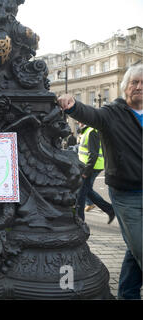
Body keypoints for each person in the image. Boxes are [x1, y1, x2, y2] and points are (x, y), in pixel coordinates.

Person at [58, 64, 142, 299]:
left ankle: (127, 294)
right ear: (125, 87)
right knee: (140, 248)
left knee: (134, 250)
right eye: (134, 82)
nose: (139, 87)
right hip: (127, 194)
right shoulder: (112, 113)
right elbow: (90, 114)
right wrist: (72, 105)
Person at [76, 122, 115, 224]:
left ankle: (80, 221)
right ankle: (110, 210)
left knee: (81, 194)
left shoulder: (92, 131)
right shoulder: (86, 131)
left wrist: (86, 171)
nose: (78, 122)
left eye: (80, 120)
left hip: (91, 167)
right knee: (87, 191)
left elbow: (93, 154)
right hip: (89, 166)